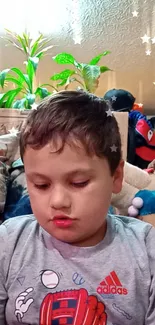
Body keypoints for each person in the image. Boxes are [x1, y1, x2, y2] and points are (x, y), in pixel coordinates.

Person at [0, 90, 155, 325]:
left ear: (116, 176)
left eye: (79, 182)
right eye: (41, 184)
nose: (58, 201)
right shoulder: (9, 243)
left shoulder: (146, 249)